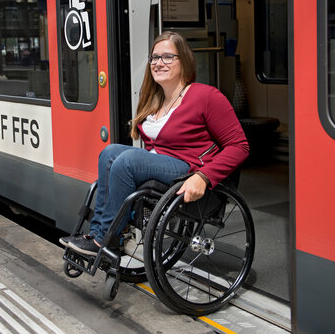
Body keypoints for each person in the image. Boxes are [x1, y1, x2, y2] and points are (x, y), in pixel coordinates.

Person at [62, 31, 249, 256]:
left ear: (185, 61)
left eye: (168, 57)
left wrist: (203, 177)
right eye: (154, 58)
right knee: (109, 152)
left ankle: (105, 239)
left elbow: (239, 146)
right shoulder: (155, 99)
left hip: (188, 168)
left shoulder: (206, 96)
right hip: (163, 164)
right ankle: (98, 233)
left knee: (128, 161)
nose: (159, 63)